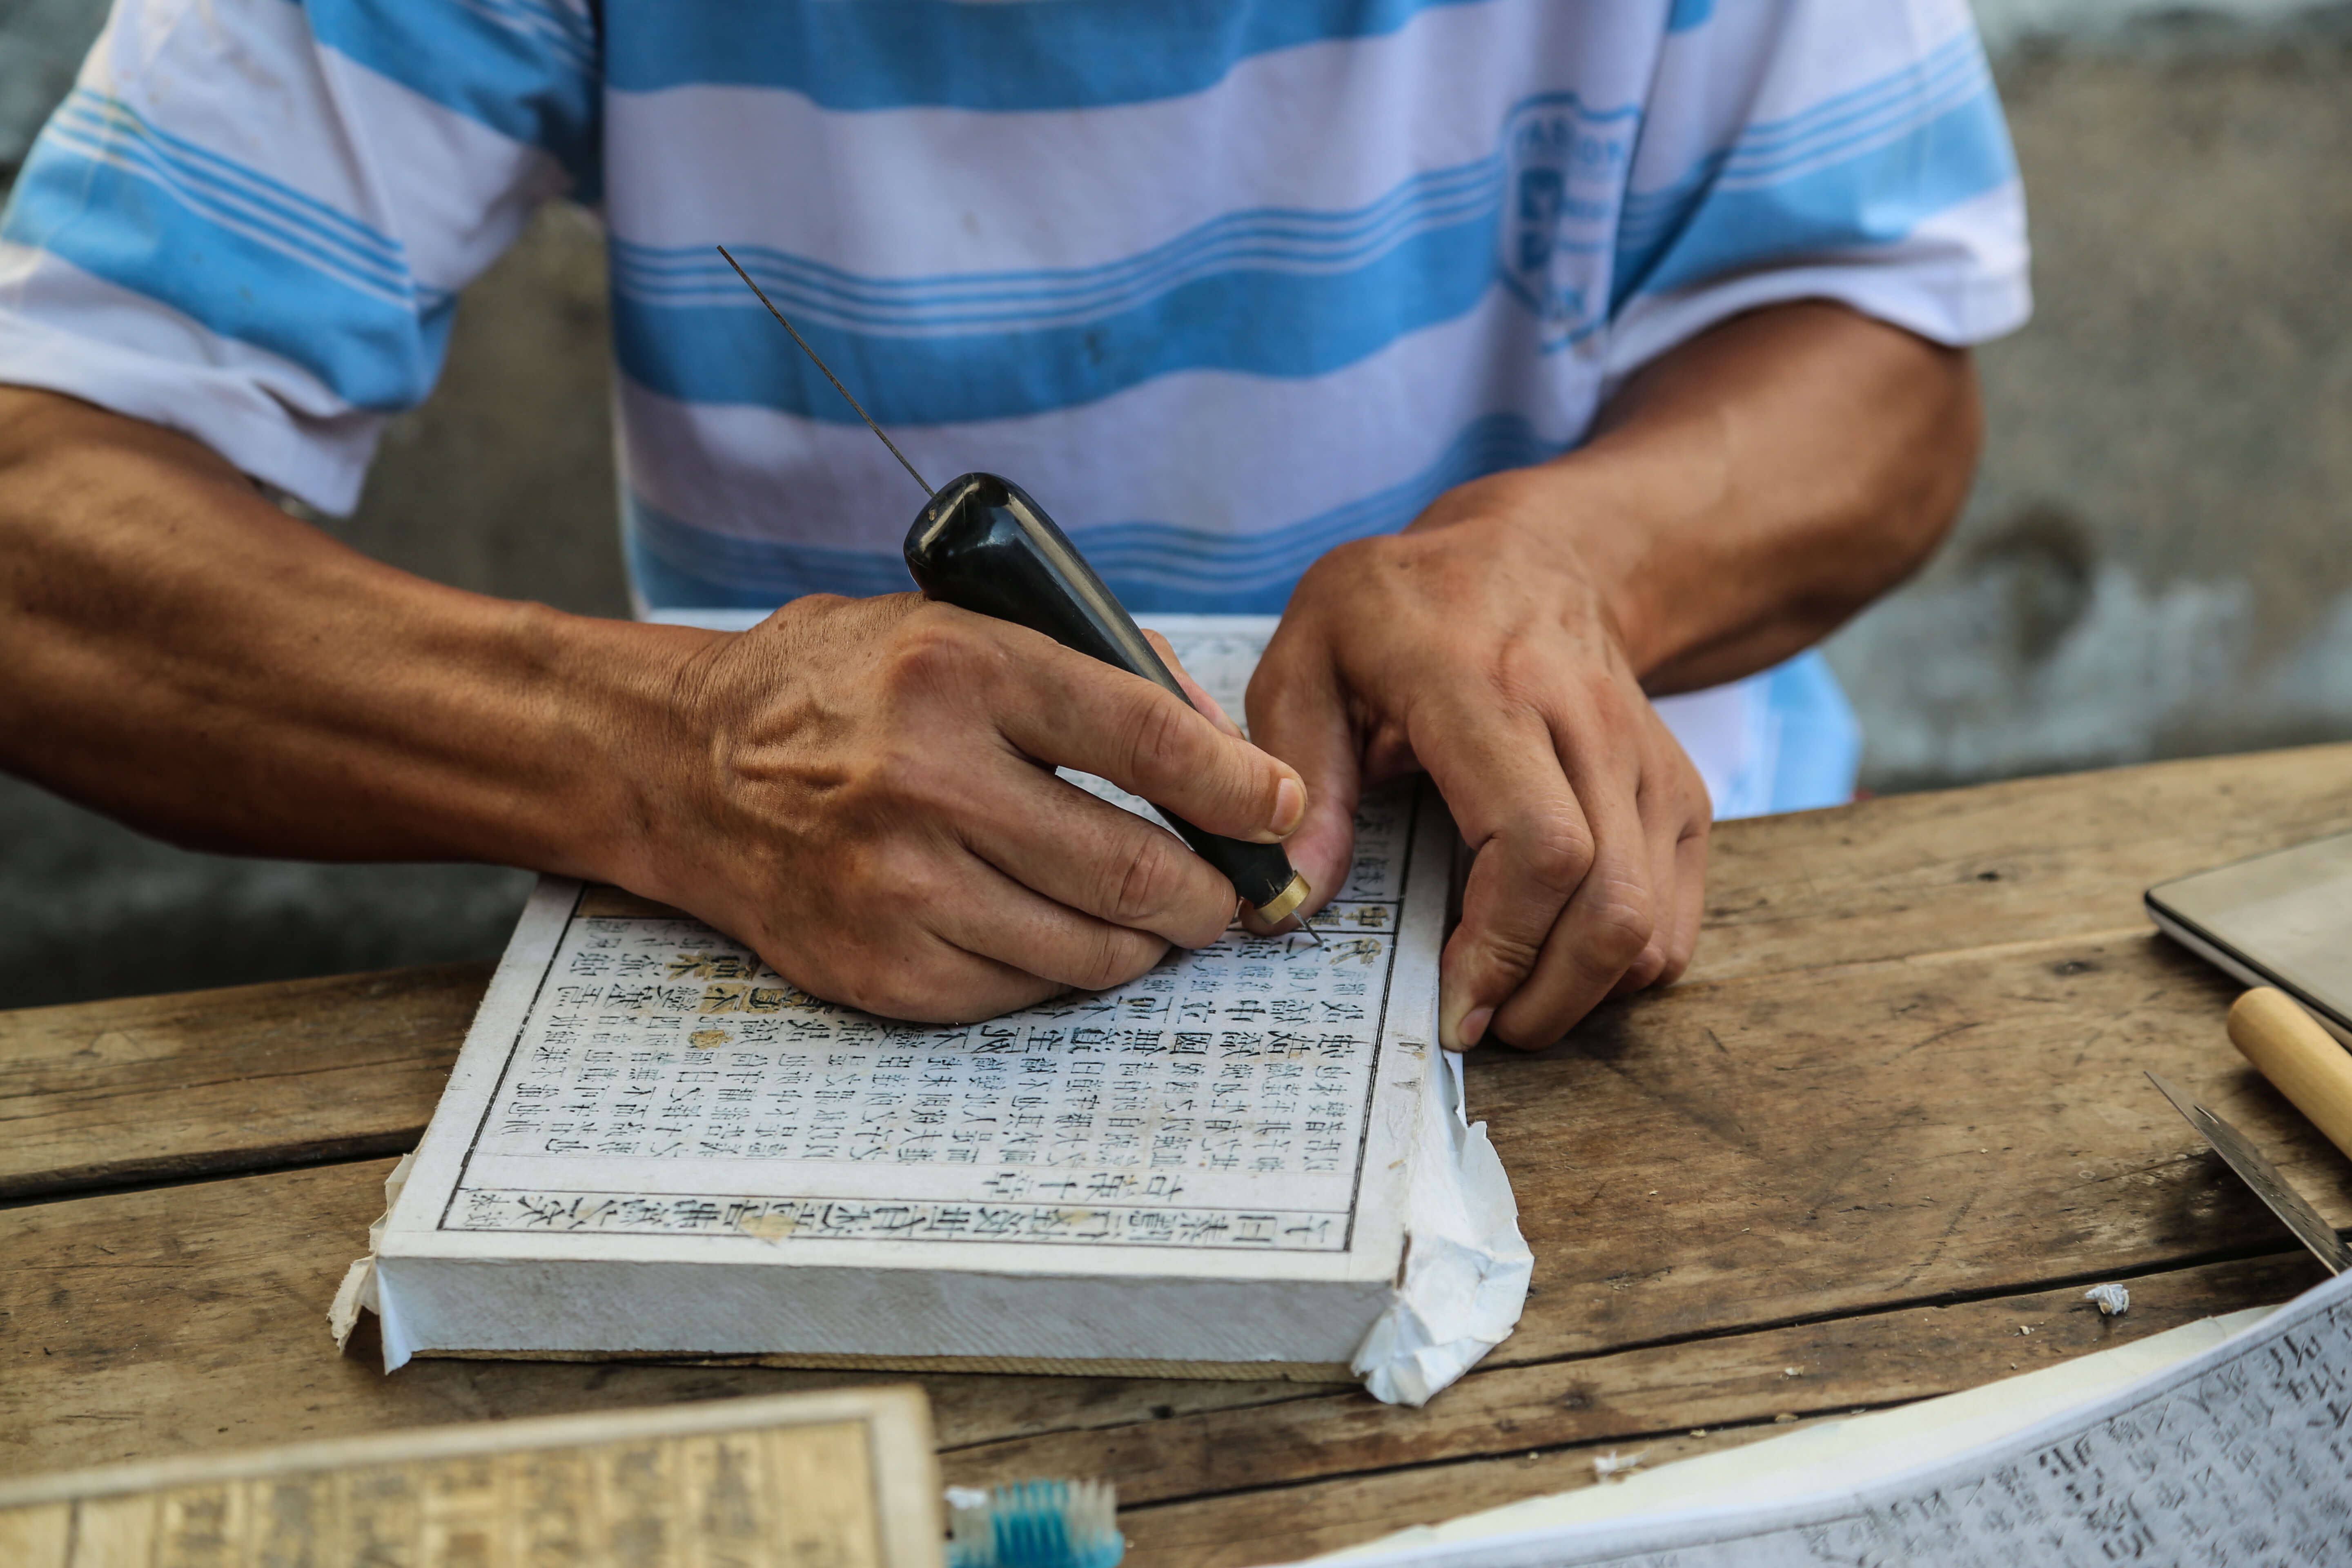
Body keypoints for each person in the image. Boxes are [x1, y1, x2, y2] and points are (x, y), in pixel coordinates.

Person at [0, 0, 2026, 1049]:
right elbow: (38, 495)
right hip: (848, 989)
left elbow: (1881, 346)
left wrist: (1587, 555)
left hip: (1599, 946)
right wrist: (651, 748)